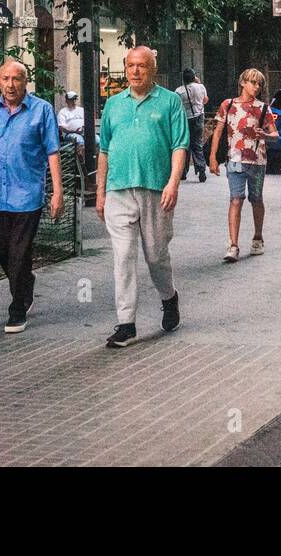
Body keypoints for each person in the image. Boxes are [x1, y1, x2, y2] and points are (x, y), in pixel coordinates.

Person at [0, 58, 64, 334]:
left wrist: (58, 192)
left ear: (25, 82)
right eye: (5, 79)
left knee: (19, 253)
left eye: (16, 79)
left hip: (27, 195)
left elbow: (52, 152)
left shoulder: (41, 111)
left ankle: (18, 308)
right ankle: (25, 282)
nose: (11, 84)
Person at [96, 46, 189, 348]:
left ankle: (169, 297)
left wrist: (173, 183)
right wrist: (100, 192)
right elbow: (104, 151)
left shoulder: (170, 102)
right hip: (118, 190)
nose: (135, 71)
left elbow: (179, 146)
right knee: (123, 257)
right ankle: (126, 323)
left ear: (153, 69)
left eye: (142, 66)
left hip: (155, 190)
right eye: (131, 66)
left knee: (156, 256)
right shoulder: (113, 104)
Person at [209, 68, 279, 262]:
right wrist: (213, 157)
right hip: (234, 160)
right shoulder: (228, 105)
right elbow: (218, 131)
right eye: (252, 82)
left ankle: (258, 236)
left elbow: (275, 134)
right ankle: (233, 244)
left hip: (257, 161)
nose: (256, 87)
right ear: (242, 83)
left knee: (256, 199)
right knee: (236, 199)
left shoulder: (263, 108)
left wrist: (265, 135)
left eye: (259, 84)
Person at [174, 69, 209, 183]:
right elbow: (205, 100)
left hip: (185, 119)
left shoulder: (178, 91)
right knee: (197, 144)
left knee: (185, 145)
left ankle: (183, 172)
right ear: (194, 77)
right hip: (199, 117)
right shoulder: (200, 87)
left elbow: (177, 106)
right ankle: (201, 169)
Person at [57, 89, 85, 159]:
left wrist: (84, 128)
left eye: (75, 99)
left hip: (84, 132)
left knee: (97, 140)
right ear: (67, 101)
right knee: (79, 140)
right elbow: (62, 127)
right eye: (72, 99)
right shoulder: (63, 112)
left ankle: (95, 165)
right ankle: (83, 165)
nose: (74, 101)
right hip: (70, 134)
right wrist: (75, 131)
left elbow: (89, 121)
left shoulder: (81, 110)